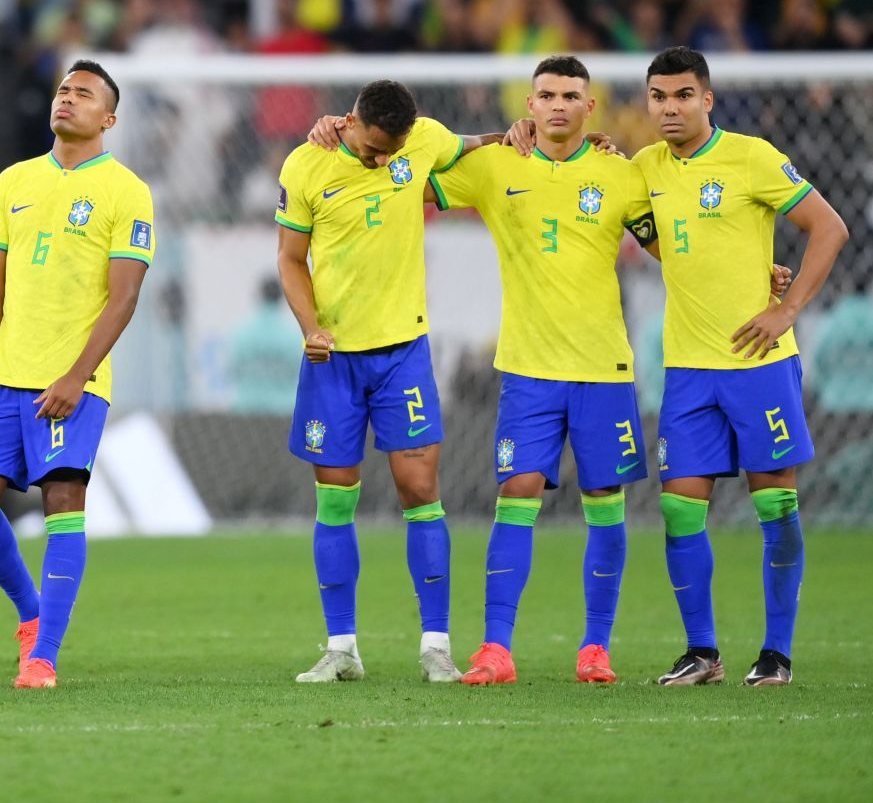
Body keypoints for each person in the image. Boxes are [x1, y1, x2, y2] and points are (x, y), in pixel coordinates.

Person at [423, 56, 661, 686]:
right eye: (546, 95)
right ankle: (496, 651)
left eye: (571, 96)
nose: (558, 105)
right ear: (528, 105)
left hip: (603, 366)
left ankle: (596, 649)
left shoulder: (621, 173)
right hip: (527, 368)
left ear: (591, 107)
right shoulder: (497, 164)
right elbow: (407, 183)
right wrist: (344, 134)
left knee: (605, 500)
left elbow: (676, 247)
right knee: (518, 493)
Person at [634, 47, 849, 687]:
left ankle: (776, 655)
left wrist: (786, 309)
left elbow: (829, 227)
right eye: (657, 96)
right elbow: (658, 237)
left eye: (682, 96)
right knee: (679, 512)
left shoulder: (751, 157)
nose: (669, 108)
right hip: (687, 369)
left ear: (707, 100)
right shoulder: (644, 166)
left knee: (775, 505)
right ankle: (702, 653)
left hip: (758, 364)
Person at [277, 80, 498, 683]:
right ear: (350, 122)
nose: (382, 160)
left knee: (420, 488)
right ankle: (341, 647)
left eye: (391, 152)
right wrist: (311, 325)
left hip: (404, 350)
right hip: (334, 358)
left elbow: (473, 145)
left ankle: (436, 647)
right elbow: (291, 260)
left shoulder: (419, 142)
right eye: (374, 149)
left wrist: (518, 134)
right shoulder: (306, 163)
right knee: (335, 497)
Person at [0, 59, 154, 689]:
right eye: (64, 89)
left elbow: (123, 296)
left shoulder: (127, 191)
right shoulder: (14, 180)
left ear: (109, 118)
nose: (67, 98)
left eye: (84, 93)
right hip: (3, 376)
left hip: (73, 383)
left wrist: (78, 375)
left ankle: (43, 658)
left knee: (63, 502)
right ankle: (32, 615)